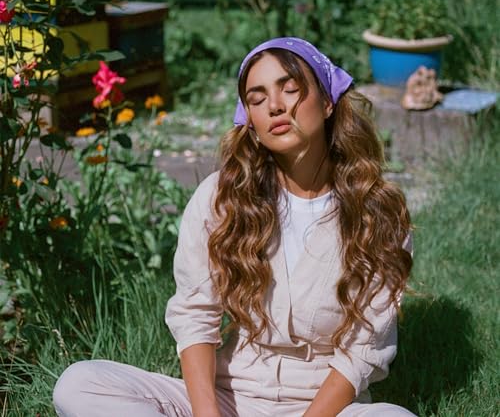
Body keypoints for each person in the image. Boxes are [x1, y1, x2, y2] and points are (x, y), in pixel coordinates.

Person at [53, 37, 415, 416]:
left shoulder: (378, 211)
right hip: (231, 398)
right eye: (257, 99)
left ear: (327, 102)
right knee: (80, 384)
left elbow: (363, 350)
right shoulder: (221, 199)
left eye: (290, 89)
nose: (275, 106)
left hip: (325, 408)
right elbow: (195, 316)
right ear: (251, 123)